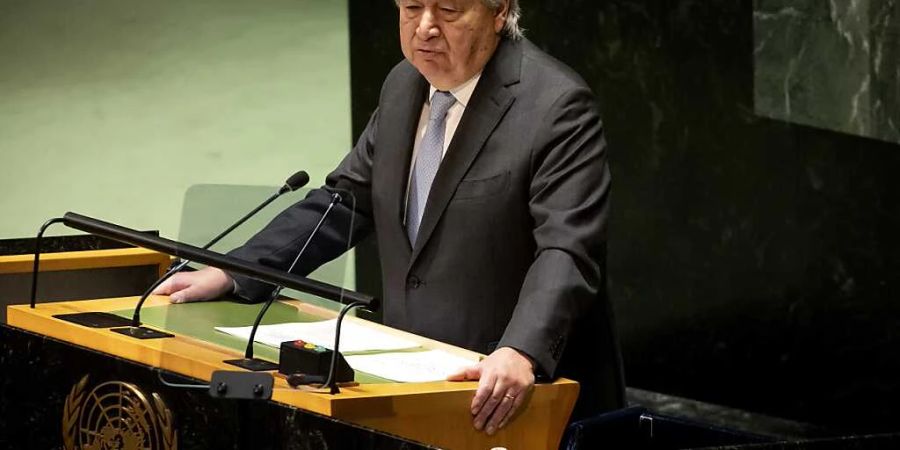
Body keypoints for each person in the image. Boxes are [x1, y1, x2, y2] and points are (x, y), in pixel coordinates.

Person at [154, 0, 624, 435]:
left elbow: (566, 249)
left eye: (448, 10)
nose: (425, 27)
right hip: (411, 381)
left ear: (498, 11)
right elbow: (345, 202)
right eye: (411, 7)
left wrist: (520, 349)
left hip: (511, 392)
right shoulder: (404, 84)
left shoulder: (556, 105)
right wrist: (235, 271)